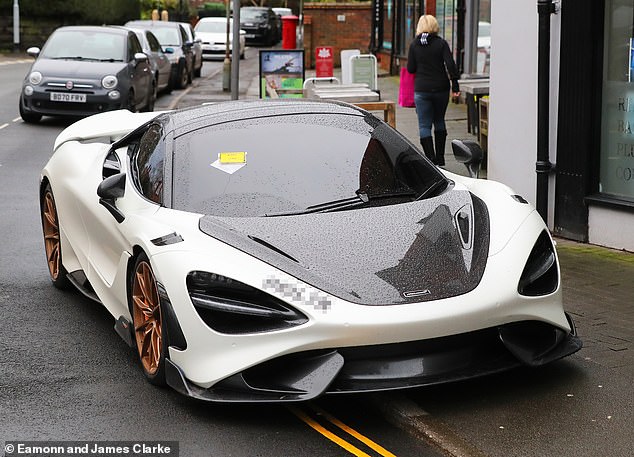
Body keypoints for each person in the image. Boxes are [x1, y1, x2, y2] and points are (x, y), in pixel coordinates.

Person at [407, 15, 460, 166]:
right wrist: (455, 86)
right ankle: (441, 159)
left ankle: (431, 161)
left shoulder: (414, 45)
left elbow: (411, 69)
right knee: (439, 121)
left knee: (424, 126)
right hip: (441, 88)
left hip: (422, 89)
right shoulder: (441, 43)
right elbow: (450, 65)